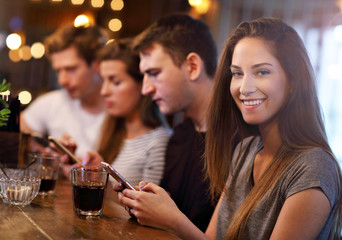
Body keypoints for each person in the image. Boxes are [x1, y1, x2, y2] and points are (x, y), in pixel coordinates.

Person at [114, 18, 342, 240]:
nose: (244, 88)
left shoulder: (314, 166)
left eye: (262, 72)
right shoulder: (246, 150)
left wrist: (173, 219)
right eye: (237, 74)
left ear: (294, 81)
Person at [128, 13, 218, 232]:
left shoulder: (240, 142)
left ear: (193, 66)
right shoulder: (180, 135)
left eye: (154, 73)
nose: (145, 89)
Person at [81, 38, 170, 186]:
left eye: (115, 82)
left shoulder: (158, 141)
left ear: (143, 84)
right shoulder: (112, 129)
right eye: (103, 81)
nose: (104, 91)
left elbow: (146, 207)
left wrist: (101, 182)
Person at [20, 25, 107, 156]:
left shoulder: (120, 110)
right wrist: (41, 151)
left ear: (97, 65)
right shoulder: (52, 102)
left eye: (71, 69)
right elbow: (15, 135)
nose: (62, 80)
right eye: (58, 71)